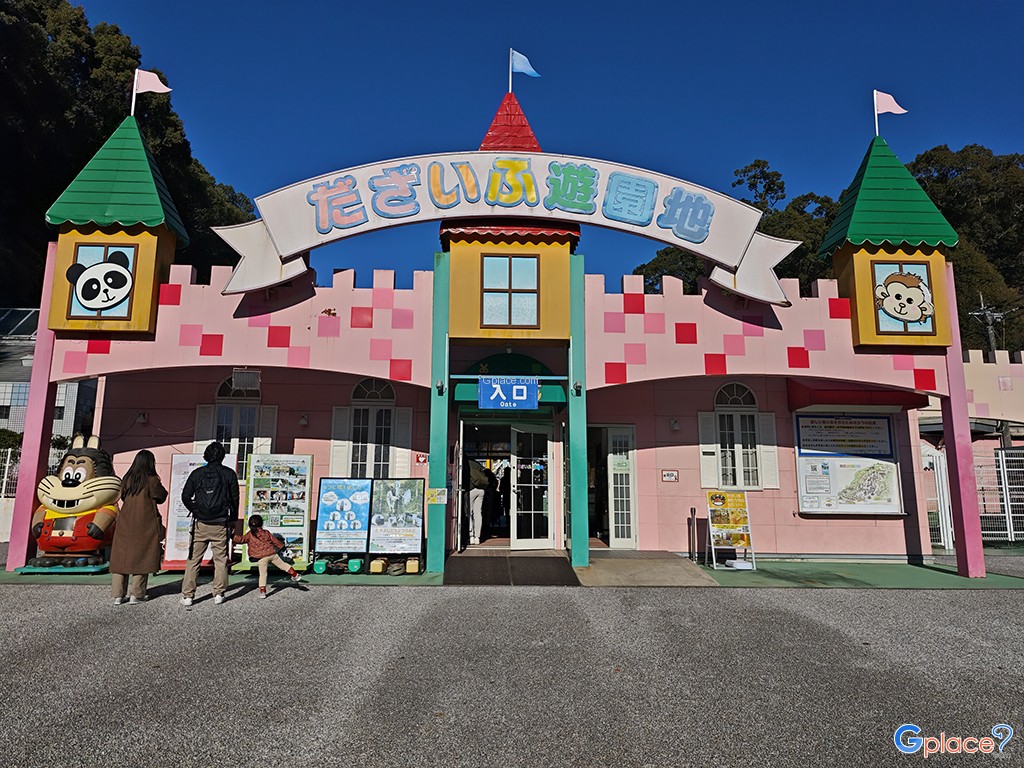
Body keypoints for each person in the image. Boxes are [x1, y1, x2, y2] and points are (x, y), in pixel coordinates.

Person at [180, 442, 239, 606]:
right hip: (220, 522)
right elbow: (235, 499)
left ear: (205, 455)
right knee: (221, 559)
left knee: (193, 559)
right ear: (222, 456)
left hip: (201, 523)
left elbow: (185, 496)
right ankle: (219, 594)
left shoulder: (197, 473)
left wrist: (196, 510)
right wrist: (233, 519)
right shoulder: (229, 474)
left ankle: (188, 596)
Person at [109, 449, 167, 605]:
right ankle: (137, 594)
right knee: (142, 556)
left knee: (121, 558)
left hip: (125, 522)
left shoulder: (127, 479)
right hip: (144, 523)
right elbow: (161, 496)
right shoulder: (152, 480)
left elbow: (122, 496)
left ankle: (118, 595)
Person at [233, 514, 300, 599]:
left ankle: (263, 592)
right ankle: (295, 575)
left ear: (249, 525)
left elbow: (241, 539)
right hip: (272, 554)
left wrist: (232, 536)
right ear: (261, 524)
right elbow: (275, 541)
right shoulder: (266, 532)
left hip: (261, 558)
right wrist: (282, 547)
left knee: (263, 575)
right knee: (283, 565)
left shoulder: (250, 535)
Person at [466, 458, 489, 545]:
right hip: (481, 490)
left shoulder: (466, 463)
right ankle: (477, 537)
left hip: (471, 489)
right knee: (478, 513)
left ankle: (471, 536)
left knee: (469, 513)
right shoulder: (477, 464)